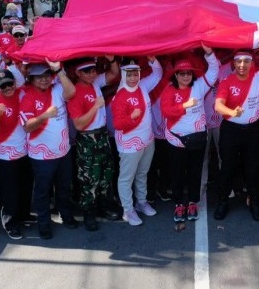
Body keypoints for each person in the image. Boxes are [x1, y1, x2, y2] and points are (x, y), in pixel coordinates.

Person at [213, 46, 259, 222]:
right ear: (233, 63)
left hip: (253, 130)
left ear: (251, 63)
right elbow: (218, 106)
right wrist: (231, 111)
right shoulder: (227, 81)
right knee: (228, 167)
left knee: (253, 169)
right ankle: (222, 202)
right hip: (230, 129)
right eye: (239, 61)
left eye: (246, 61)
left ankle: (254, 203)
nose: (242, 65)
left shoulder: (258, 78)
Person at [160, 46, 219, 226]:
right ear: (175, 75)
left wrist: (209, 53)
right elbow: (166, 112)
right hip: (176, 140)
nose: (186, 76)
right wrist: (185, 106)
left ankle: (193, 202)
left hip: (197, 140)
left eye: (188, 73)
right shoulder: (169, 90)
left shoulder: (199, 85)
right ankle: (178, 204)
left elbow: (214, 70)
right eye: (181, 73)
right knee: (177, 174)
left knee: (195, 173)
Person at [19, 60, 78, 239]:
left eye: (46, 76)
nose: (44, 80)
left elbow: (72, 92)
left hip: (63, 151)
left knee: (64, 187)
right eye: (38, 77)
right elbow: (27, 127)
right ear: (31, 79)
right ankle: (44, 224)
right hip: (41, 156)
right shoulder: (27, 96)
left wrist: (58, 70)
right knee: (42, 191)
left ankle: (66, 215)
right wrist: (45, 115)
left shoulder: (57, 88)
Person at [66, 57, 120, 231]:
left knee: (106, 174)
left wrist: (111, 60)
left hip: (102, 135)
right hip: (87, 139)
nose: (92, 73)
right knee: (89, 179)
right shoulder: (75, 92)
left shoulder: (95, 82)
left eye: (93, 70)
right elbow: (79, 124)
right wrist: (95, 106)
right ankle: (88, 212)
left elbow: (114, 74)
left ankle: (103, 207)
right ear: (78, 73)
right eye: (87, 71)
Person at [111, 57, 162, 226]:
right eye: (130, 75)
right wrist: (132, 117)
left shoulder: (143, 86)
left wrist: (152, 60)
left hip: (147, 139)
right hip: (129, 143)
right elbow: (117, 124)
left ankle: (141, 202)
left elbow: (158, 74)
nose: (133, 78)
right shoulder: (119, 96)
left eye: (136, 74)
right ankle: (128, 209)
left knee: (142, 173)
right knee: (127, 177)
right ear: (124, 75)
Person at [0, 69, 33, 240]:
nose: (7, 88)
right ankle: (11, 223)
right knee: (9, 192)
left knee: (25, 187)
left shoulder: (22, 93)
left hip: (25, 151)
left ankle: (24, 215)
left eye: (10, 83)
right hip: (5, 155)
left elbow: (23, 74)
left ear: (15, 83)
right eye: (3, 86)